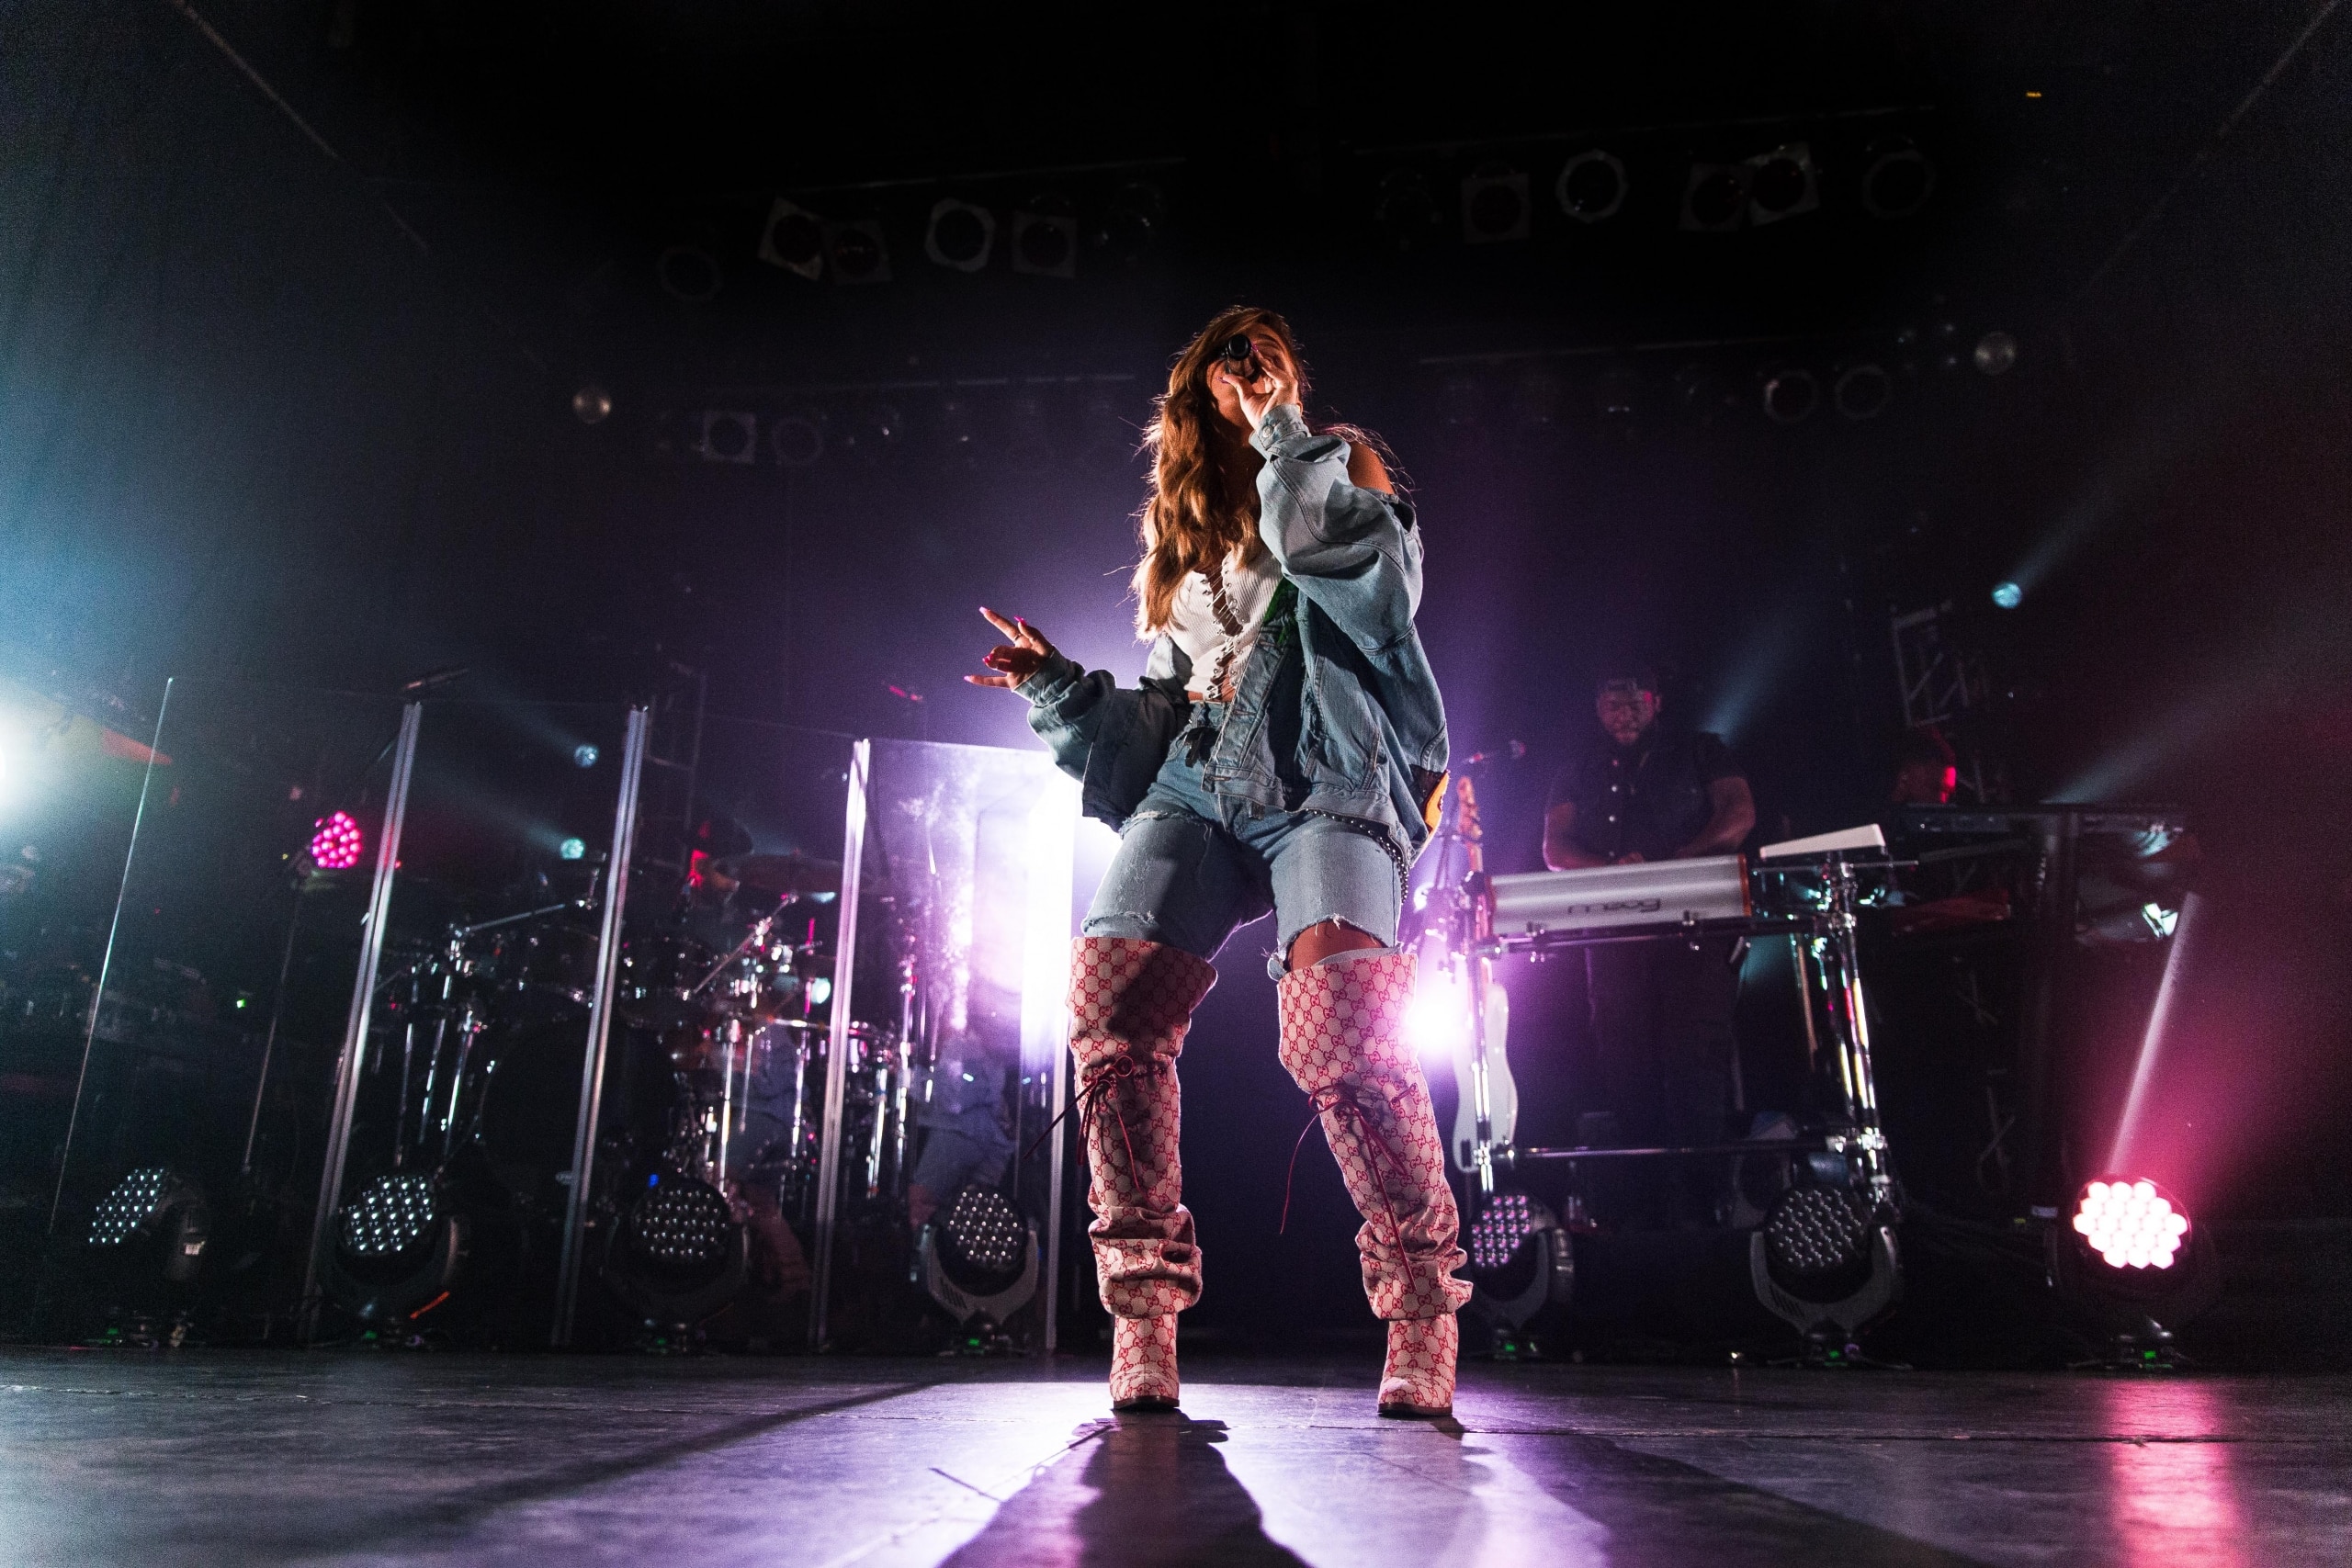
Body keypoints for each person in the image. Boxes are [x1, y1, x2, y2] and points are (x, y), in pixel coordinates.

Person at [965, 306, 1468, 1416]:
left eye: (1261, 362)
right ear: (1192, 400)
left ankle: (1422, 1312)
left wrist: (1282, 429)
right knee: (1111, 1000)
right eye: (1224, 371)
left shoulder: (1337, 465)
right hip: (1197, 775)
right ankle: (1142, 1317)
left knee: (1346, 1031)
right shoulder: (1189, 530)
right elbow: (1166, 704)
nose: (1242, 379)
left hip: (1325, 772)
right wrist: (1058, 688)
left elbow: (1374, 592)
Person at [1543, 667, 1755, 1225]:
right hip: (1615, 934)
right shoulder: (1578, 768)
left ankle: (1707, 1206)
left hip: (1695, 925)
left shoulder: (1700, 750)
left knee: (1695, 1060)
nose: (1623, 712)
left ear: (1656, 702)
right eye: (1612, 703)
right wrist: (1613, 870)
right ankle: (1643, 1212)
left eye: (1634, 701)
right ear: (1598, 709)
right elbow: (1555, 847)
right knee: (1624, 1062)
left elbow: (1739, 814)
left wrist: (1678, 859)